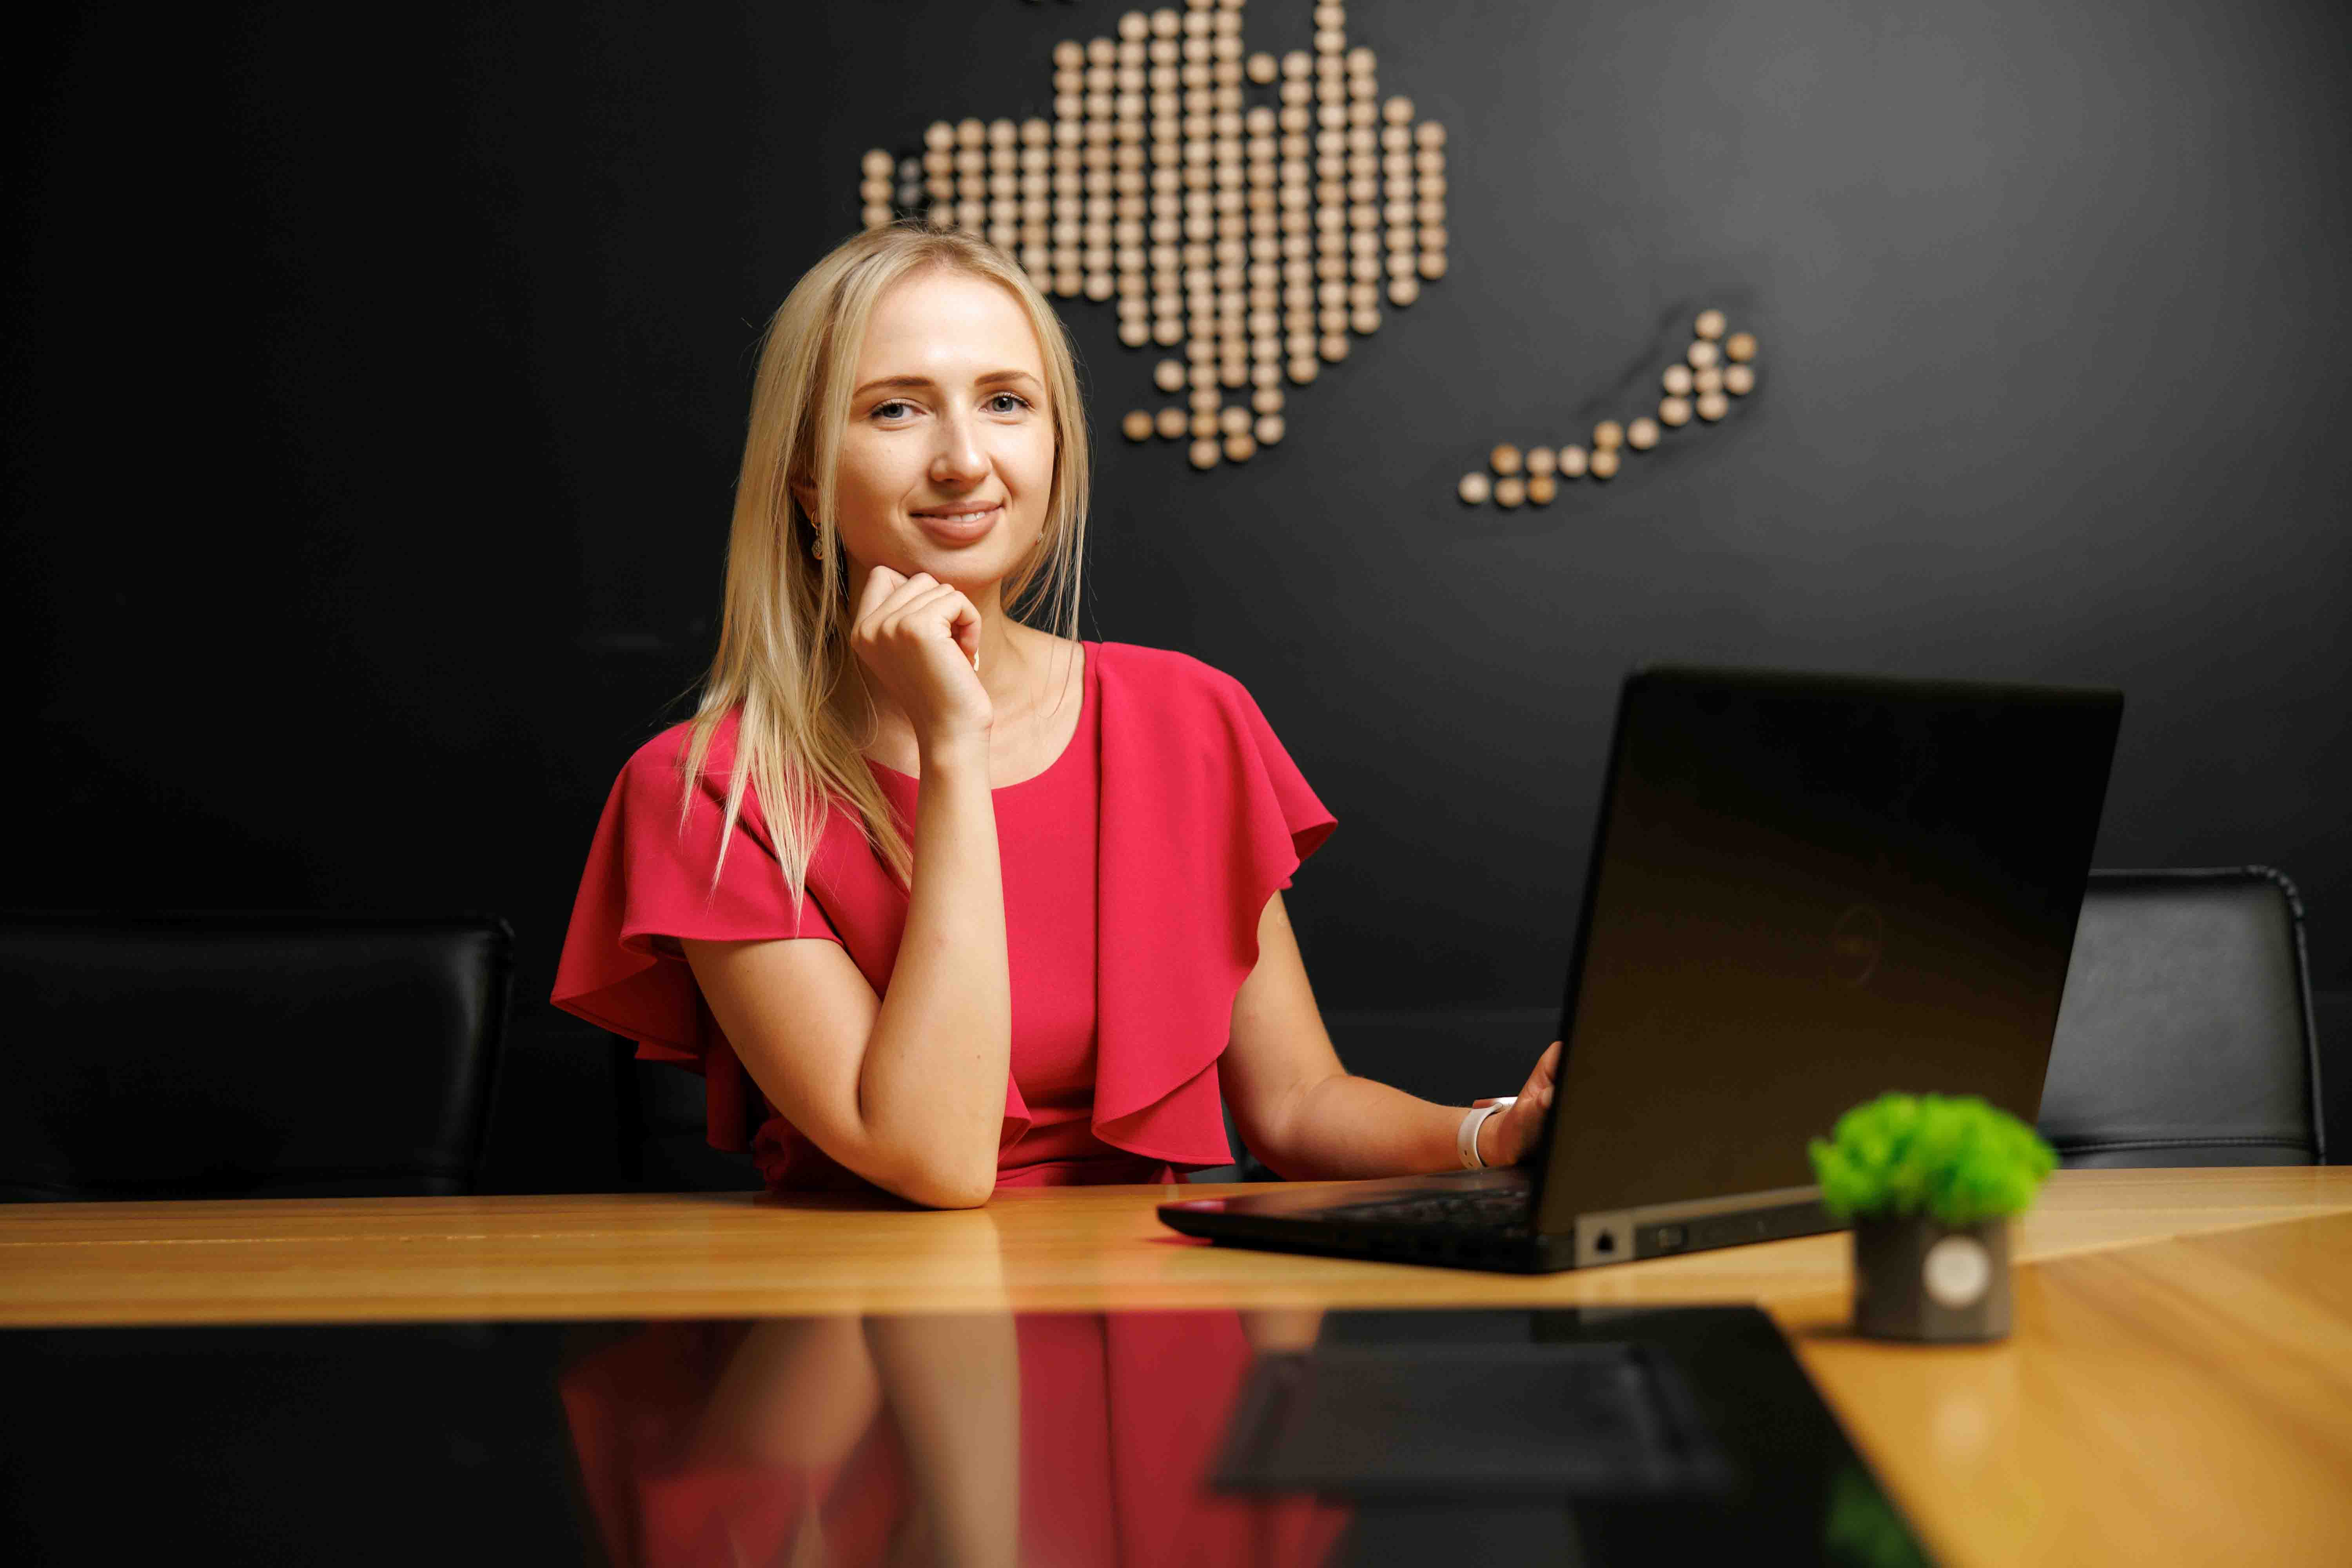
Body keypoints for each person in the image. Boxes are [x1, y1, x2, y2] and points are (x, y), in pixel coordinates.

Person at [552, 223, 1558, 1208]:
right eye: (897, 410)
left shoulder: (1186, 717)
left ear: (1055, 444)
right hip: (873, 1333)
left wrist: (1494, 1133)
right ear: (808, 479)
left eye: (1004, 401)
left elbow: (1296, 1107)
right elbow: (935, 1160)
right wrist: (953, 740)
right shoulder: (713, 789)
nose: (963, 460)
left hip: (1157, 1321)